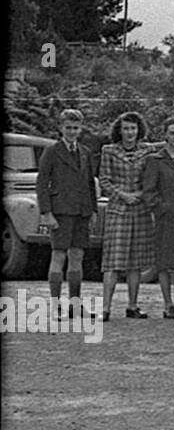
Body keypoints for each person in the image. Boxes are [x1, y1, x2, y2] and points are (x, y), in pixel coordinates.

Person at [35, 108, 97, 311]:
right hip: (60, 211)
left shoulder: (85, 152)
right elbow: (42, 183)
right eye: (68, 127)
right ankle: (55, 306)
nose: (72, 131)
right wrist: (46, 212)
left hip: (82, 211)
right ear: (61, 128)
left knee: (77, 256)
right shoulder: (52, 151)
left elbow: (90, 183)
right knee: (58, 255)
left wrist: (93, 210)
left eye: (76, 128)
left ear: (81, 129)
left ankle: (75, 304)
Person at [98, 111, 156, 319]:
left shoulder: (148, 151)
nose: (130, 132)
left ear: (139, 130)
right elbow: (104, 180)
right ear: (119, 130)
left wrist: (139, 195)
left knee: (136, 261)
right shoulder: (108, 151)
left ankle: (132, 305)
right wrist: (123, 195)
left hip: (140, 210)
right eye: (126, 128)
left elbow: (151, 179)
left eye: (133, 128)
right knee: (113, 261)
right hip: (118, 210)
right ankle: (106, 308)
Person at [142, 117, 174, 318]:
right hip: (166, 219)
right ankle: (168, 304)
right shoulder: (155, 160)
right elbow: (149, 191)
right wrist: (161, 208)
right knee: (164, 263)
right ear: (165, 135)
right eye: (172, 133)